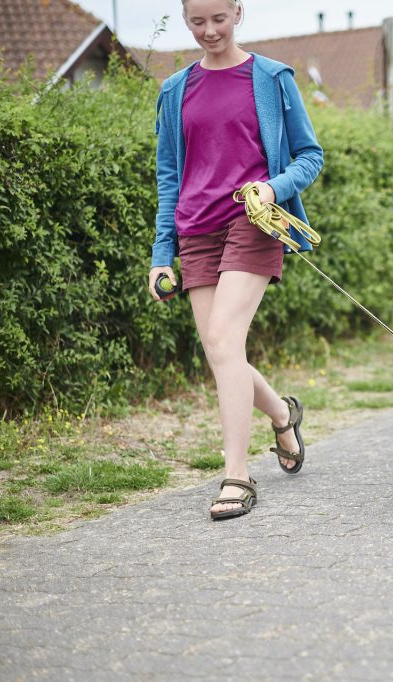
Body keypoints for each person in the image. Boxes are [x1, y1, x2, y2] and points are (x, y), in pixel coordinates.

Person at [149, 0, 324, 520]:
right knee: (221, 350)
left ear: (238, 13)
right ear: (185, 20)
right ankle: (282, 413)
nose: (209, 31)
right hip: (195, 230)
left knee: (225, 339)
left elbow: (309, 155)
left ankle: (237, 477)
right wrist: (162, 254)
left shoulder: (271, 78)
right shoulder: (174, 90)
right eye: (197, 21)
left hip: (253, 220)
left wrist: (272, 188)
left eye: (218, 19)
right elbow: (167, 176)